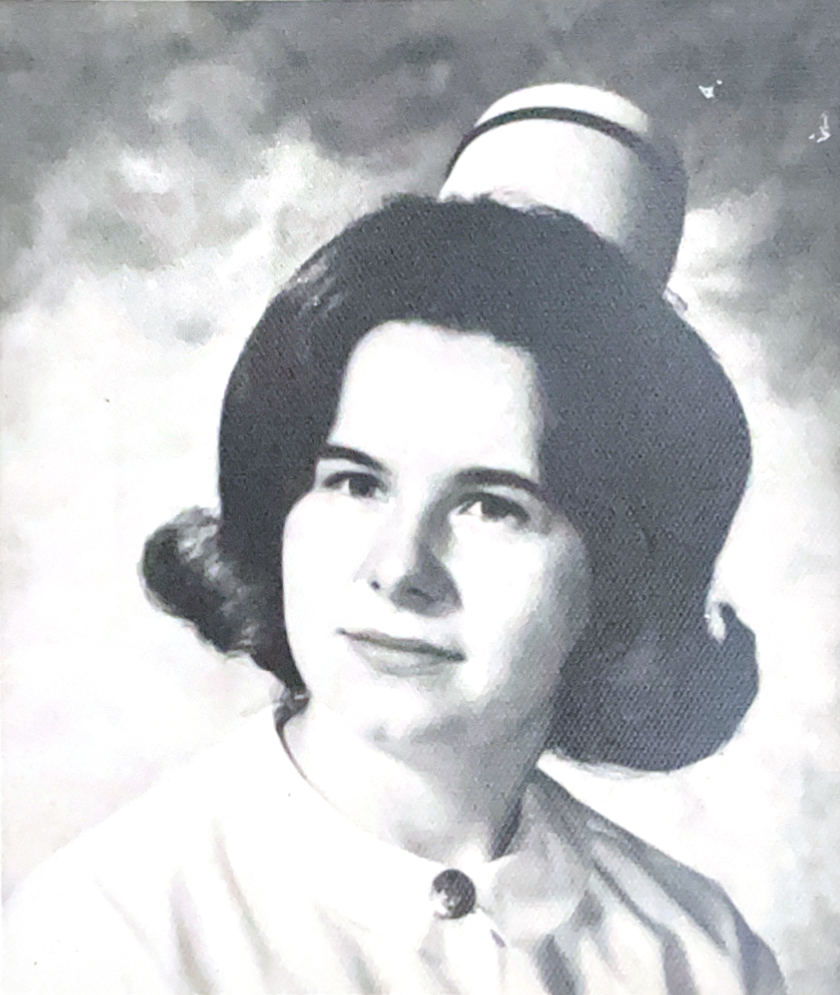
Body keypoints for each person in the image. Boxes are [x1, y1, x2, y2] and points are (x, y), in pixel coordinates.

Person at [4, 93, 786, 995]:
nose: (399, 569)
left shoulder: (702, 956)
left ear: (617, 574)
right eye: (355, 482)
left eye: (492, 505)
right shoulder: (107, 939)